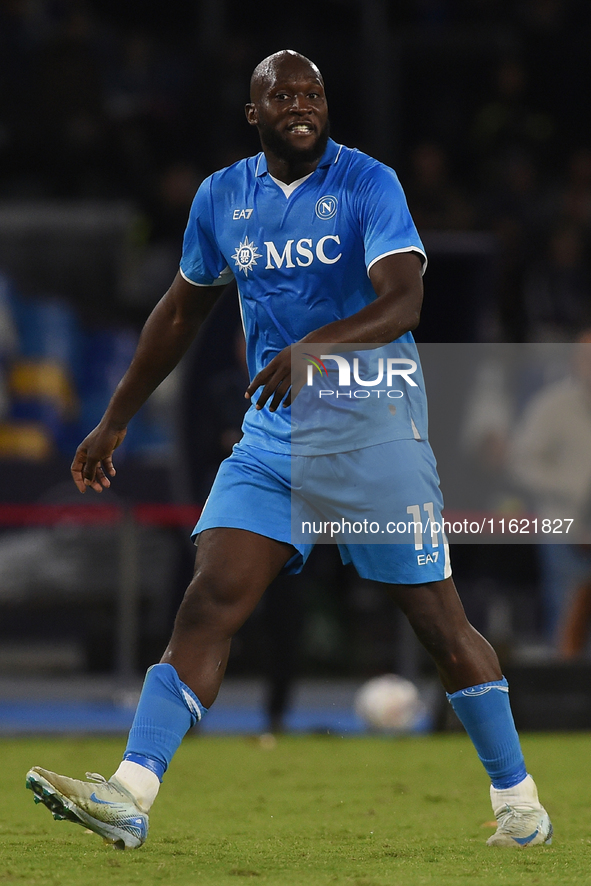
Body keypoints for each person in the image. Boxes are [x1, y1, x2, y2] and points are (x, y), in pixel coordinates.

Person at [26, 50, 551, 851]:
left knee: (439, 625)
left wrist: (311, 349)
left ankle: (517, 802)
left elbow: (403, 300)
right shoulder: (221, 198)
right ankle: (129, 794)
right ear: (254, 113)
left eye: (313, 93)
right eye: (283, 95)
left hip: (377, 431)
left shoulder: (368, 183)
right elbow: (179, 312)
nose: (302, 104)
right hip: (275, 437)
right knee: (210, 597)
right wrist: (114, 418)